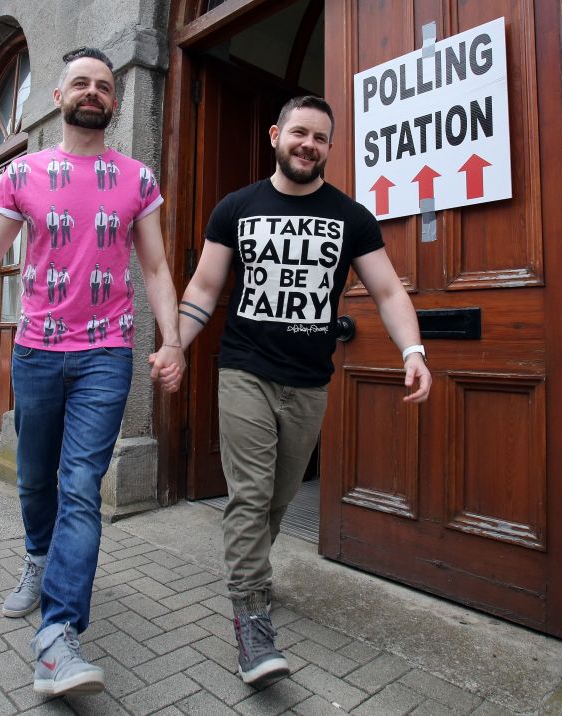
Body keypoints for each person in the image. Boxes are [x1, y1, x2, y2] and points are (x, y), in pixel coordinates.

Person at [0, 46, 185, 696]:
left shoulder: (137, 179)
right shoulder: (22, 174)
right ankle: (36, 556)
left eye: (104, 85)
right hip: (35, 351)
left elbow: (159, 268)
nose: (93, 92)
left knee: (81, 486)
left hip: (106, 354)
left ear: (114, 101)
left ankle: (58, 637)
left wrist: (172, 338)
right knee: (35, 480)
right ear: (57, 98)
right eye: (80, 82)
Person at [172, 95, 431, 689]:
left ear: (329, 149)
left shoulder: (351, 216)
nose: (308, 144)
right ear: (275, 136)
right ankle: (251, 618)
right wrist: (175, 344)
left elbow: (389, 293)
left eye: (320, 137)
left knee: (279, 499)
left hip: (309, 381)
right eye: (299, 133)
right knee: (250, 493)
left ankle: (252, 573)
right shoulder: (235, 208)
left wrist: (413, 352)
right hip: (244, 370)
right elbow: (206, 286)